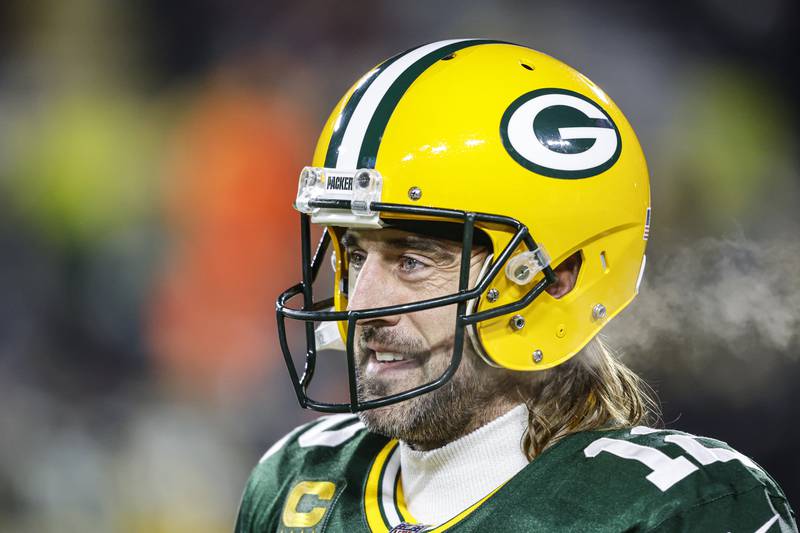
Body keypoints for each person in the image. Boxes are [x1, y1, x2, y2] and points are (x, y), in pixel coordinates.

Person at [236, 40, 797, 532]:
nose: (360, 304)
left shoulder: (679, 508)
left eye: (411, 261)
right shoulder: (297, 479)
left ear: (556, 279)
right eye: (355, 257)